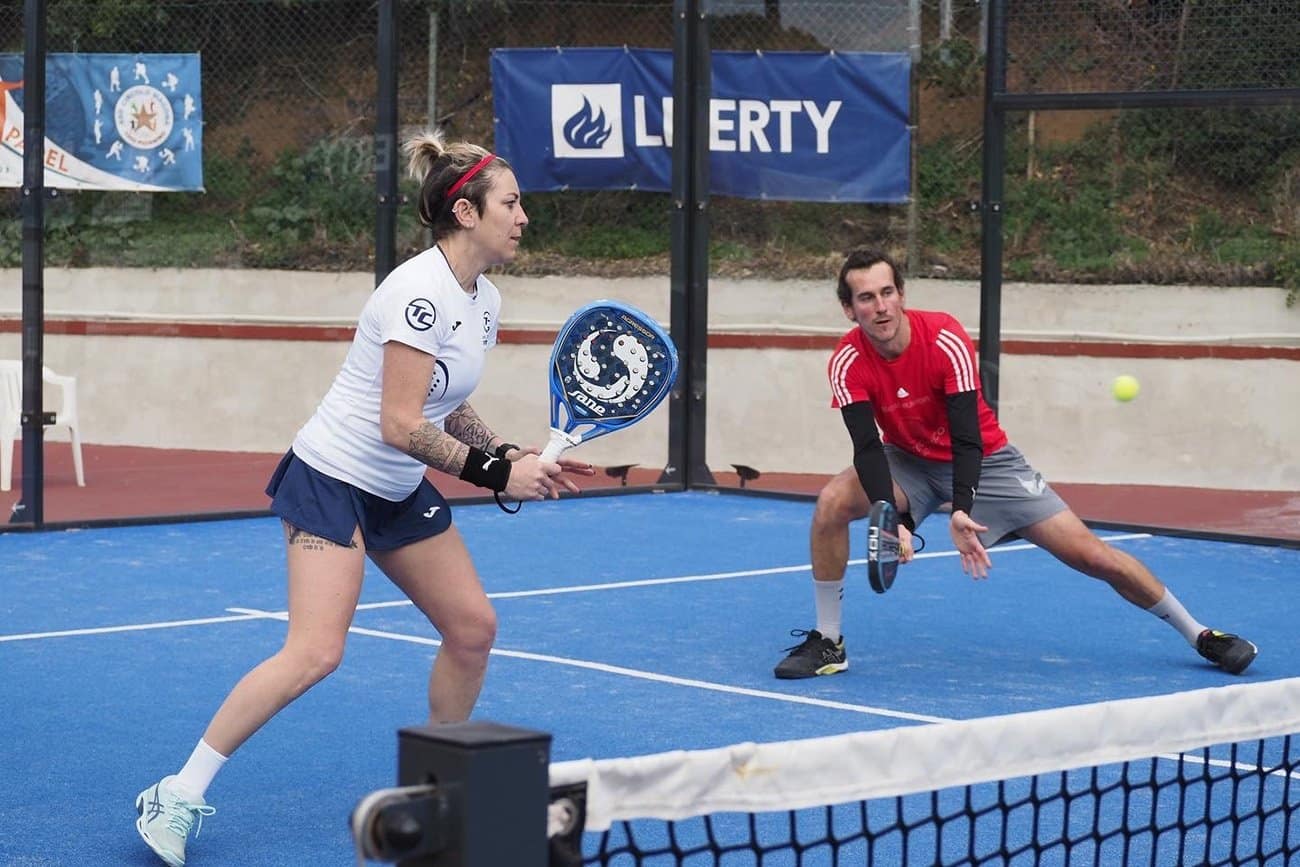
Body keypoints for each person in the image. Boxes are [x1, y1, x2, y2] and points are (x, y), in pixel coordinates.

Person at [135, 131, 594, 866]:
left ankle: (438, 791)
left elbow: (447, 404)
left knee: (472, 627)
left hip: (393, 486)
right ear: (467, 212)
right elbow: (399, 420)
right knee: (315, 650)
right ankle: (178, 791)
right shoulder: (417, 292)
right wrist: (493, 474)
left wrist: (507, 452)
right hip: (330, 477)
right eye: (511, 203)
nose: (523, 216)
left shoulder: (485, 299)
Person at [773, 249, 1258, 681]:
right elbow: (867, 447)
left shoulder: (943, 337)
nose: (879, 307)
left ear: (901, 295)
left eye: (886, 293)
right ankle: (829, 641)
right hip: (906, 461)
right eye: (865, 298)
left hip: (987, 462)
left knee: (1091, 555)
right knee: (832, 502)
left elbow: (967, 436)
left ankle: (1199, 634)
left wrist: (961, 509)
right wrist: (892, 516)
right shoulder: (847, 361)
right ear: (848, 308)